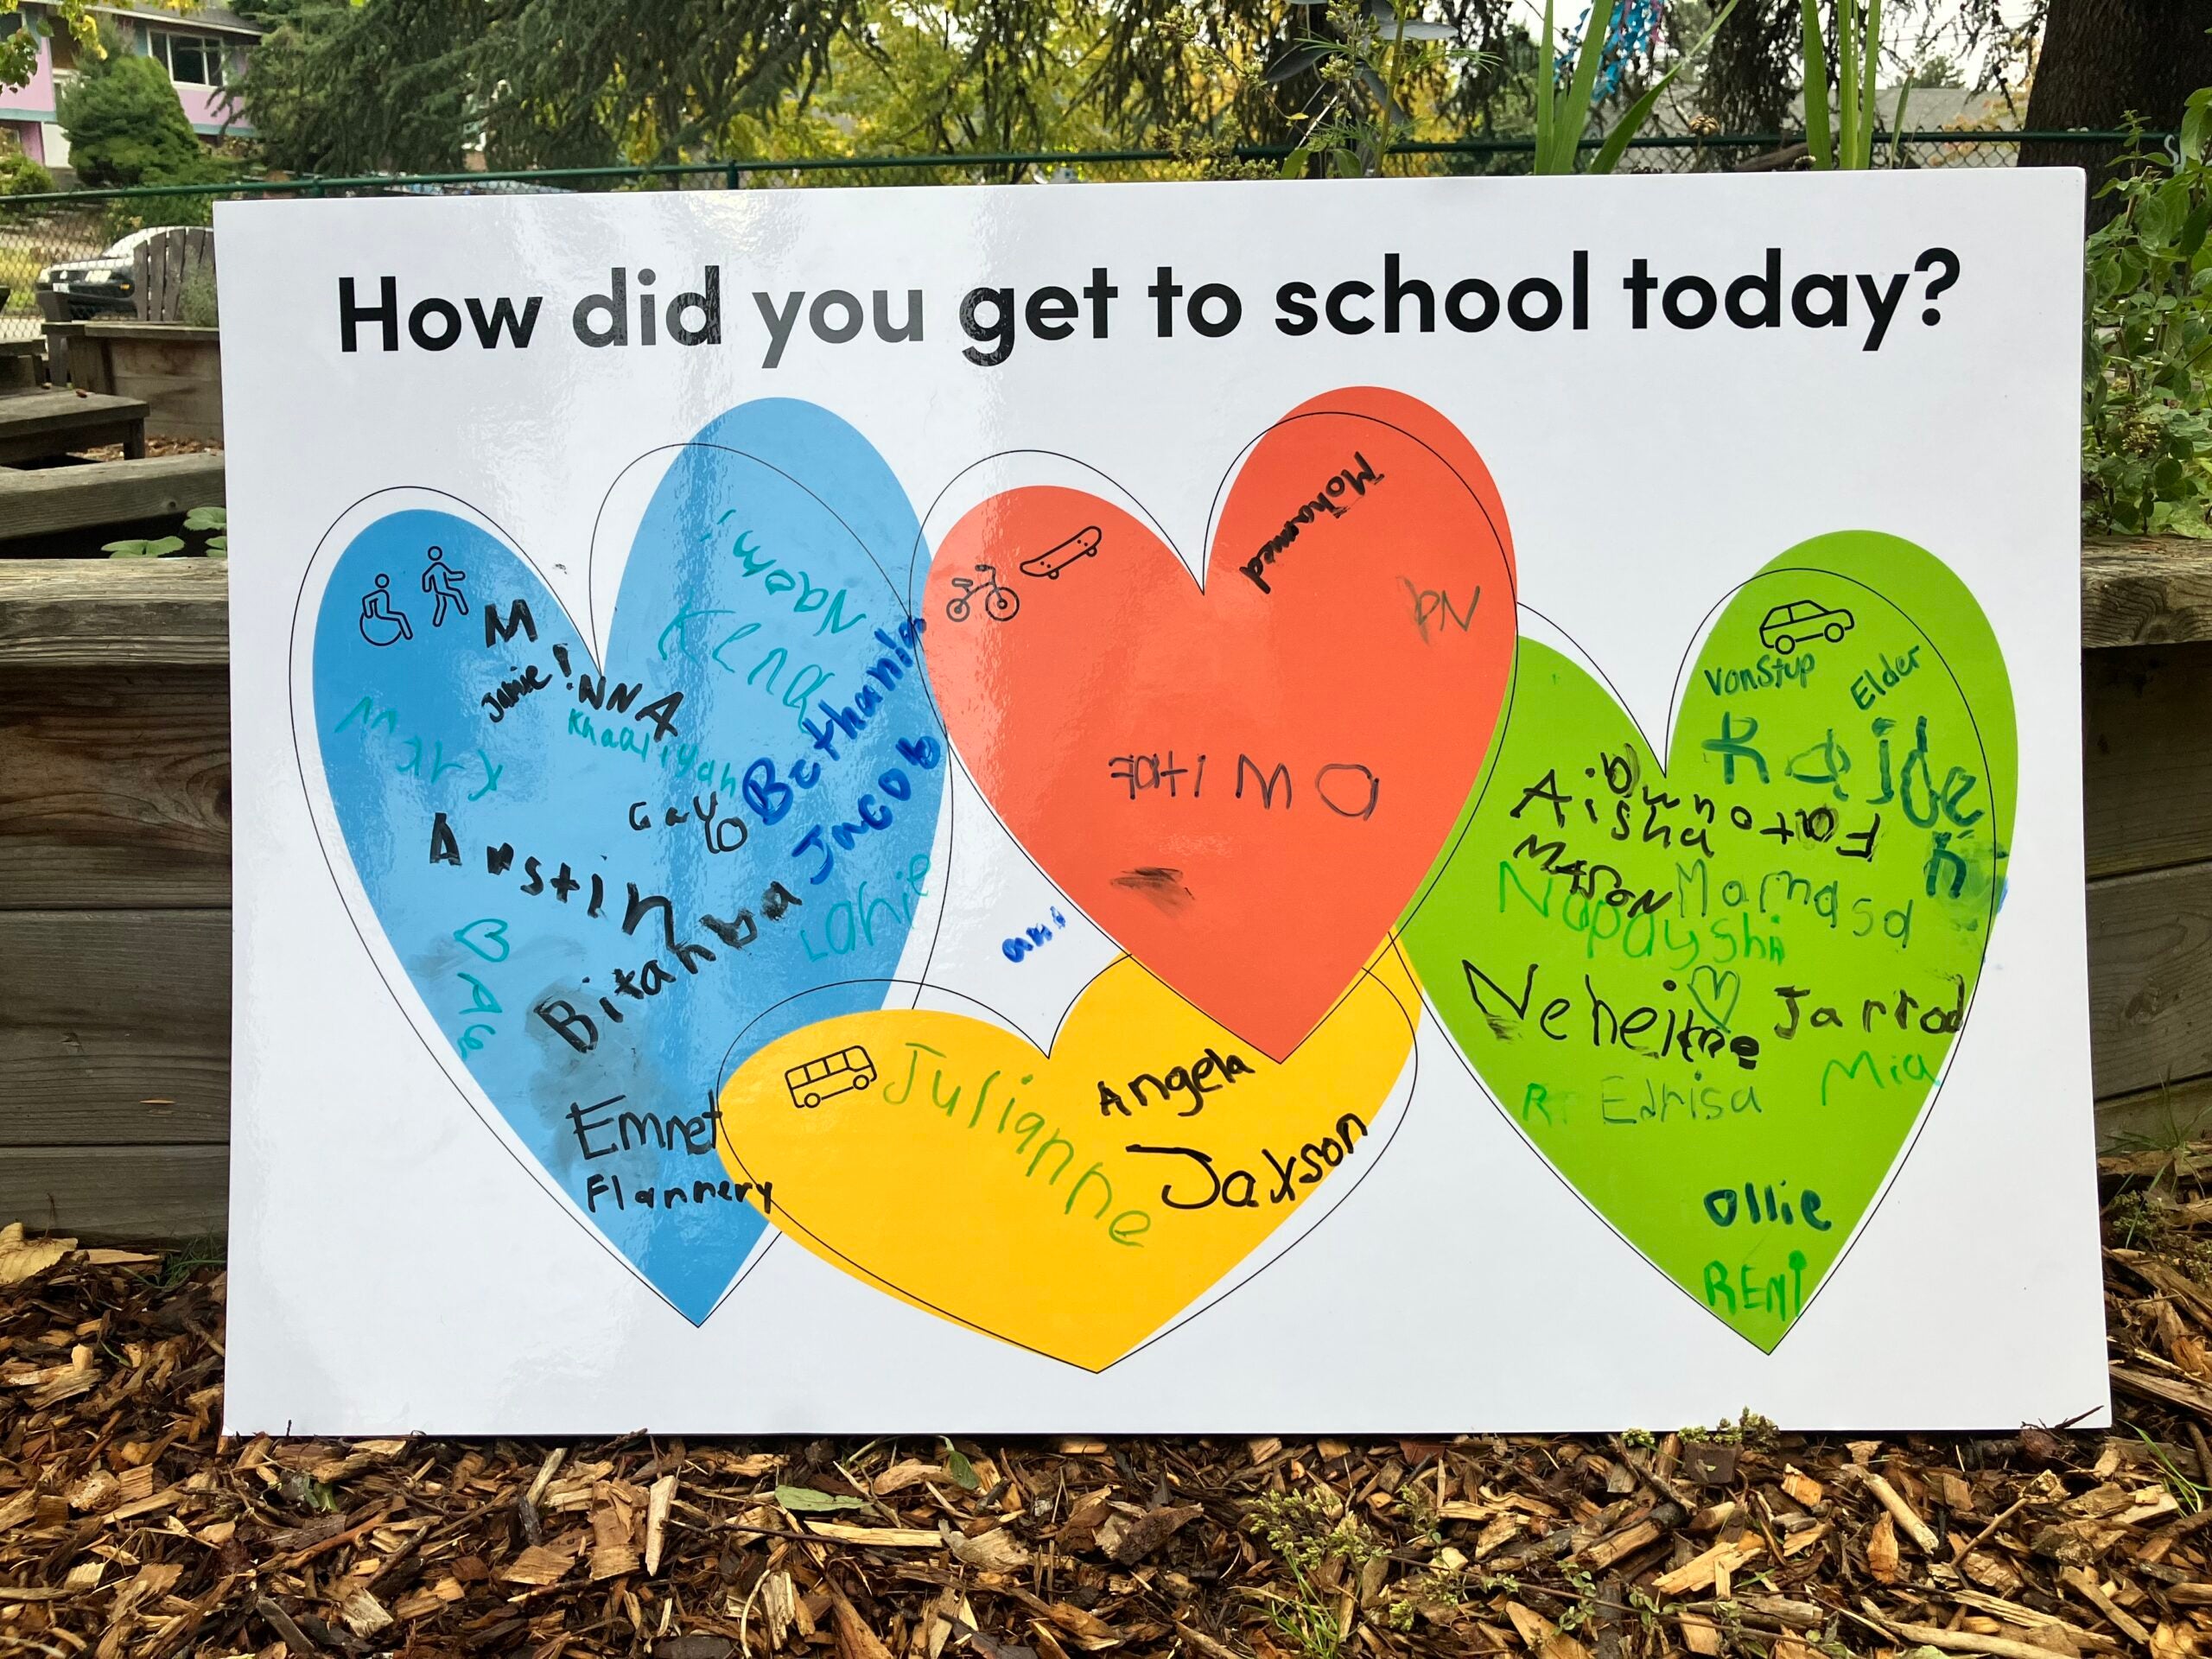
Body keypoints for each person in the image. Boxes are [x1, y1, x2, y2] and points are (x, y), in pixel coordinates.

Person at [358, 573, 413, 647]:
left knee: (400, 616)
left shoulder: (383, 593)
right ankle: (408, 634)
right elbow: (366, 600)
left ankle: (408, 634)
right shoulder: (380, 593)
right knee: (400, 617)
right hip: (382, 613)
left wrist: (369, 613)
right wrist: (369, 614)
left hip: (384, 612)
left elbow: (367, 600)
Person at [422, 544, 469, 628]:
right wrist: (427, 587)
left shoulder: (438, 567)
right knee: (456, 593)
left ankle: (437, 621)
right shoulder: (437, 567)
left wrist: (459, 576)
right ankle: (464, 610)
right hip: (441, 589)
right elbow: (427, 576)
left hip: (439, 590)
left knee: (442, 604)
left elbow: (449, 576)